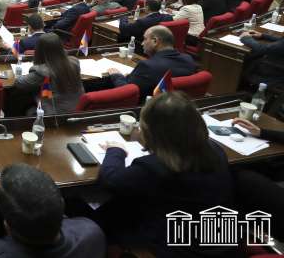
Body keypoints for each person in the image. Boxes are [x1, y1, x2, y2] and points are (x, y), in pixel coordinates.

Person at [97, 92, 233, 253]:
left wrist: (115, 150)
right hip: (216, 238)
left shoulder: (153, 168)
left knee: (106, 212)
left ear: (153, 134)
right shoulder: (215, 150)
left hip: (177, 246)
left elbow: (111, 180)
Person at [104, 26, 196, 98]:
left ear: (155, 41)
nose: (142, 43)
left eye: (145, 39)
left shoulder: (147, 66)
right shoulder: (188, 59)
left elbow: (127, 92)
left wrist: (117, 75)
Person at [11, 33, 83, 115]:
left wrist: (18, 72)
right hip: (78, 109)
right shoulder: (74, 62)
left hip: (55, 115)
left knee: (17, 98)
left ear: (39, 50)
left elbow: (19, 83)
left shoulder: (42, 71)